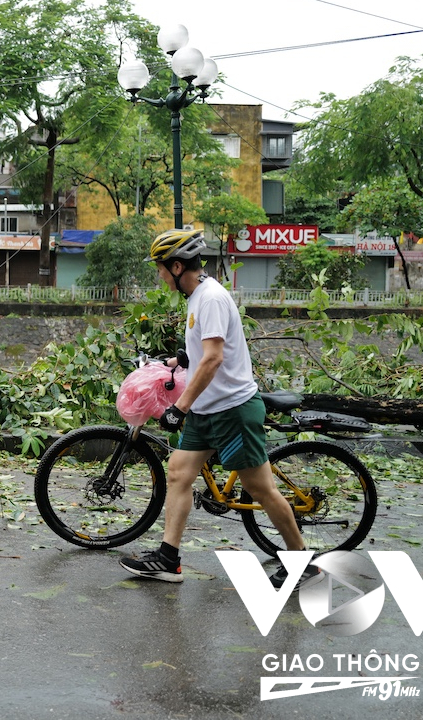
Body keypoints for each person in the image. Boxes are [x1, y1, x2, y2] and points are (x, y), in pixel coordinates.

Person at [120, 229, 318, 589]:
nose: (160, 276)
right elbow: (204, 351)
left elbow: (213, 359)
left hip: (232, 411)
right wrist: (182, 357)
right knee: (179, 472)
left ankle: (301, 560)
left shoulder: (209, 298)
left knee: (260, 489)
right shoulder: (198, 296)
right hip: (208, 411)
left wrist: (179, 407)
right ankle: (168, 559)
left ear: (178, 266)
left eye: (161, 269)